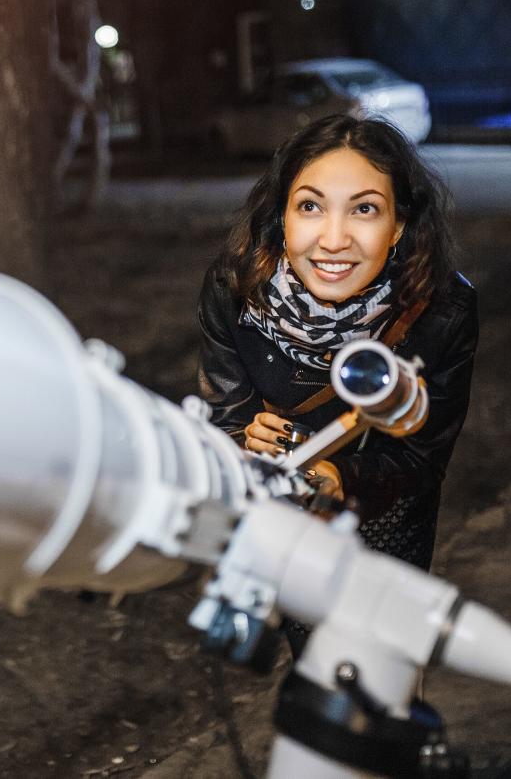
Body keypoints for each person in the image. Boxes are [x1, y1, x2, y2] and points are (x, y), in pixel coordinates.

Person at [197, 113, 477, 570]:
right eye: (310, 206)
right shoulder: (235, 288)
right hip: (276, 524)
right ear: (282, 215)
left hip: (383, 528)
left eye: (364, 209)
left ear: (399, 225)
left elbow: (422, 459)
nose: (333, 239)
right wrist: (245, 437)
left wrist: (341, 475)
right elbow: (220, 420)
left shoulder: (441, 310)